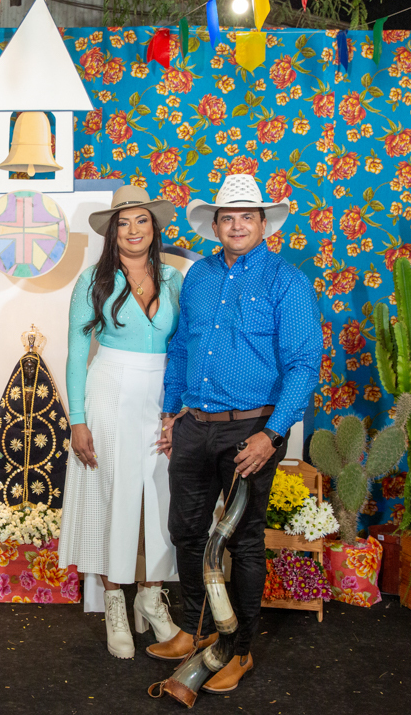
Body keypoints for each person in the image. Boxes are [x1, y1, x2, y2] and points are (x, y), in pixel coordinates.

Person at [152, 174, 322, 694]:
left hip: (252, 430)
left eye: (247, 216)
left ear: (264, 224)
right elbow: (181, 347)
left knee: (244, 542)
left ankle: (240, 650)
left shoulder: (286, 282)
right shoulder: (200, 276)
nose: (237, 225)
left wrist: (272, 435)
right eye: (228, 217)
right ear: (215, 225)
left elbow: (304, 364)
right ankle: (195, 628)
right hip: (194, 425)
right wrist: (170, 413)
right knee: (186, 531)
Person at [58, 185, 183, 659]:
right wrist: (78, 420)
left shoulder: (174, 278)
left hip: (162, 397)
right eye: (123, 223)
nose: (133, 230)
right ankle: (115, 604)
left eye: (141, 220)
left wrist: (179, 407)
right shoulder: (94, 280)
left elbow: (184, 347)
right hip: (109, 391)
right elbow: (76, 353)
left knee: (160, 497)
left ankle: (151, 598)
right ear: (113, 232)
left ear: (154, 227)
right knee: (112, 495)